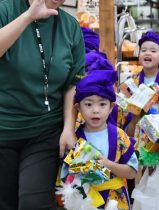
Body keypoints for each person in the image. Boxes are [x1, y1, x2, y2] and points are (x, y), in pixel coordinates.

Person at [0, 0, 85, 209]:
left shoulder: (69, 26)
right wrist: (28, 16)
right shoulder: (6, 8)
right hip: (3, 128)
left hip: (44, 130)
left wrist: (68, 127)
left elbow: (72, 82)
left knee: (34, 202)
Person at [62, 70, 138, 210]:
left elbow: (132, 172)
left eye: (102, 104)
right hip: (85, 201)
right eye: (88, 104)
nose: (95, 110)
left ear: (111, 107)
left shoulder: (120, 136)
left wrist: (109, 164)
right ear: (78, 107)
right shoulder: (74, 138)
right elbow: (66, 177)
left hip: (116, 200)